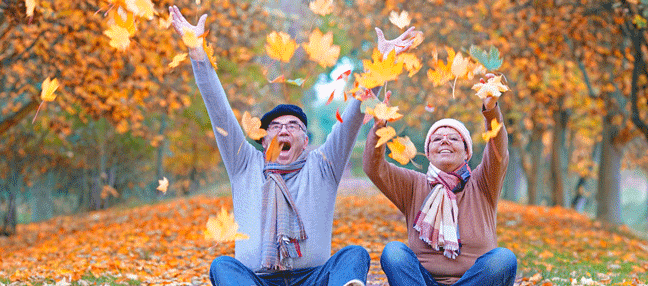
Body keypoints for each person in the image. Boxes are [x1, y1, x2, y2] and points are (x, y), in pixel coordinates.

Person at [168, 5, 420, 286]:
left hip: (314, 279)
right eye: (275, 127)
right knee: (223, 266)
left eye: (293, 126)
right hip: (258, 280)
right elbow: (219, 112)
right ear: (263, 140)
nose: (284, 130)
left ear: (305, 141)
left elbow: (351, 119)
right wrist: (197, 53)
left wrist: (379, 67)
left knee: (354, 255)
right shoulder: (244, 164)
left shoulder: (323, 166)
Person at [362, 78, 517, 286]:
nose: (444, 141)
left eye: (453, 138)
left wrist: (491, 111)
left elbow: (498, 150)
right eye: (437, 139)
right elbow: (374, 168)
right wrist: (379, 127)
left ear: (466, 152)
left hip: (475, 281)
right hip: (423, 282)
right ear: (428, 153)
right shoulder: (414, 185)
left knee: (503, 259)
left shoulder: (483, 183)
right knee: (393, 252)